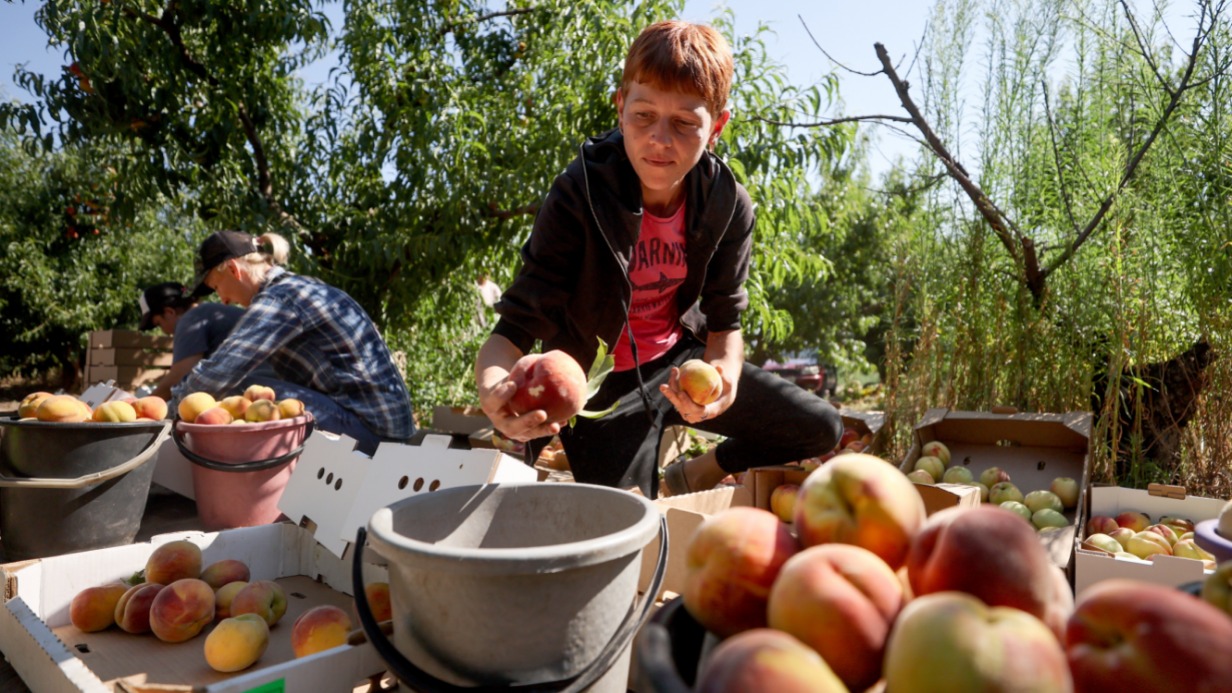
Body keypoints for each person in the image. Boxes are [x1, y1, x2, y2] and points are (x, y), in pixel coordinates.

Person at [474, 20, 843, 497]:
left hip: (678, 363)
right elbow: (514, 328)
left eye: (685, 123)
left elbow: (725, 322)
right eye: (643, 115)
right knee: (628, 516)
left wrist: (721, 388)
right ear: (621, 106)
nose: (660, 139)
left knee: (820, 425)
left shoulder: (726, 202)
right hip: (603, 387)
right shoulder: (580, 191)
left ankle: (700, 469)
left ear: (717, 127)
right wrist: (493, 389)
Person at [171, 230, 416, 453]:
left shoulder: (281, 299)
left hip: (373, 433)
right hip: (385, 430)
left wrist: (170, 411)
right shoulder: (302, 287)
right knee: (254, 392)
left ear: (234, 269)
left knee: (240, 390)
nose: (223, 300)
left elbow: (220, 372)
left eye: (217, 286)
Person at [138, 281, 280, 400]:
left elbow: (178, 378)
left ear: (169, 312)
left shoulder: (191, 319)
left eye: (158, 323)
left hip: (257, 395)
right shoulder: (214, 312)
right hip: (275, 390)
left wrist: (142, 407)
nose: (163, 331)